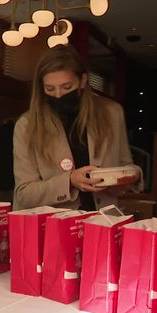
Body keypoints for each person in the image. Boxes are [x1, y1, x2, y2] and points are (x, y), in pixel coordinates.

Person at [13, 45, 140, 211]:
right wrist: (70, 181)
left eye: (66, 87)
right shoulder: (28, 125)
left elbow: (126, 165)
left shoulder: (111, 113)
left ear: (83, 81)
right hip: (54, 227)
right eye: (50, 89)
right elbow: (24, 194)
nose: (58, 95)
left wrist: (131, 176)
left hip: (103, 222)